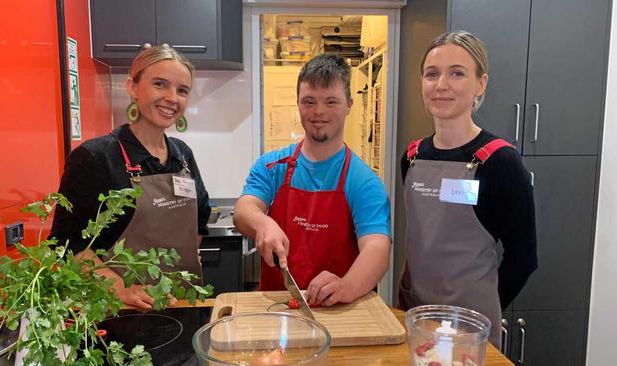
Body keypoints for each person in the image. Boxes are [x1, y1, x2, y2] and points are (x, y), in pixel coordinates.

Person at [398, 31, 537, 347]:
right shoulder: (412, 157)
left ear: (480, 84)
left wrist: (483, 306)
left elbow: (524, 257)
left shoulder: (501, 163)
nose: (441, 84)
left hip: (470, 331)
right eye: (432, 74)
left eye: (457, 73)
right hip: (416, 317)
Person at [50, 45, 210, 309]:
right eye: (160, 84)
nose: (172, 97)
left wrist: (185, 257)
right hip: (117, 310)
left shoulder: (182, 155)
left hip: (178, 300)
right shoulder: (96, 156)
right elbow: (67, 243)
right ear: (132, 87)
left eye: (182, 90)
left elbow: (200, 217)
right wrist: (120, 289)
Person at [233, 54, 391, 306]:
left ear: (349, 104)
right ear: (298, 104)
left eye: (331, 101)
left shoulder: (363, 181)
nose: (319, 112)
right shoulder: (272, 165)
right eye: (309, 101)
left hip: (337, 310)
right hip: (277, 307)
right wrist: (262, 223)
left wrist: (347, 286)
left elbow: (377, 247)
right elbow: (244, 210)